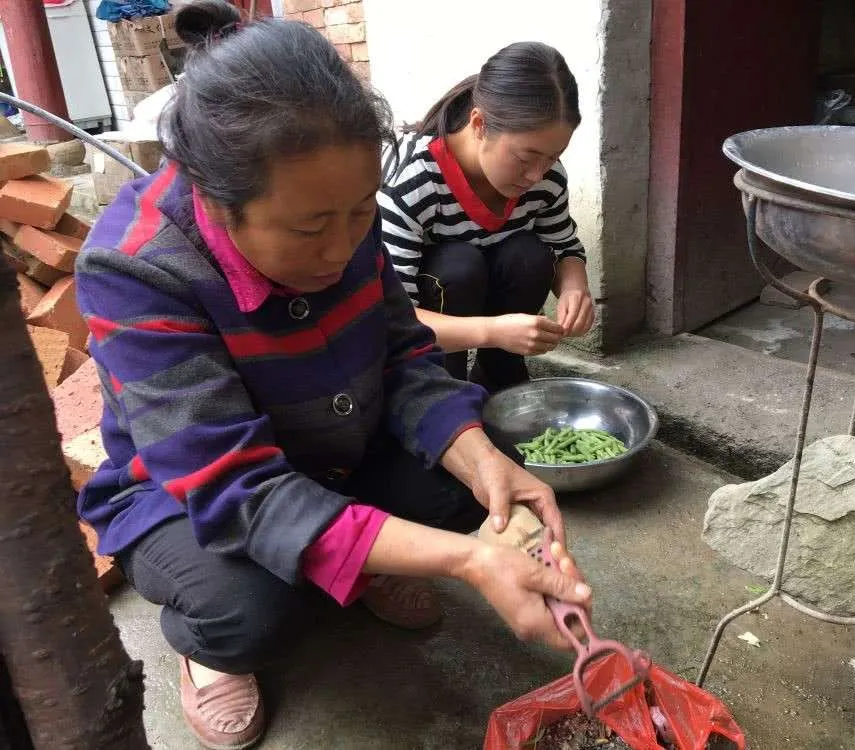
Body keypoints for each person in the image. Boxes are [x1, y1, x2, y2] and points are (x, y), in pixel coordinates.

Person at [74, 4, 592, 748]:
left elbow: (405, 351)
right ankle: (207, 651)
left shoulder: (338, 205)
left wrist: (480, 459)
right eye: (313, 228)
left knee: (481, 482)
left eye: (358, 216)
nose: (343, 246)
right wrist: (471, 561)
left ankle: (359, 554)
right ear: (219, 204)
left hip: (340, 438)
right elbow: (237, 487)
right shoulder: (136, 269)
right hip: (192, 491)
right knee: (248, 611)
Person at [378, 42, 595, 392]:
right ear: (479, 124)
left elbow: (565, 245)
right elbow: (393, 317)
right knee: (458, 265)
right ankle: (445, 386)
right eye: (526, 158)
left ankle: (500, 378)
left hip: (493, 292)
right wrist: (493, 332)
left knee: (531, 255)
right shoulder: (412, 181)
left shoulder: (546, 179)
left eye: (553, 157)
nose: (536, 176)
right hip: (431, 322)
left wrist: (574, 287)